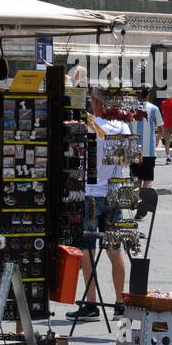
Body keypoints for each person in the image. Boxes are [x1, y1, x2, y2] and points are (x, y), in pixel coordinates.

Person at [67, 90, 134, 323]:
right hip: (115, 193)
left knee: (87, 247)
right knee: (115, 250)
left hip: (92, 194)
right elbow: (127, 159)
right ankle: (120, 302)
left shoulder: (90, 125)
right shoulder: (123, 128)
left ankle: (91, 303)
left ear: (97, 103)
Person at [131, 93, 162, 186]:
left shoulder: (131, 109)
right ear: (148, 95)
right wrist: (157, 141)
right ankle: (145, 199)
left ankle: (136, 199)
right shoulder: (154, 108)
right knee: (148, 178)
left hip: (134, 150)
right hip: (149, 150)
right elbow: (161, 129)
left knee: (136, 179)